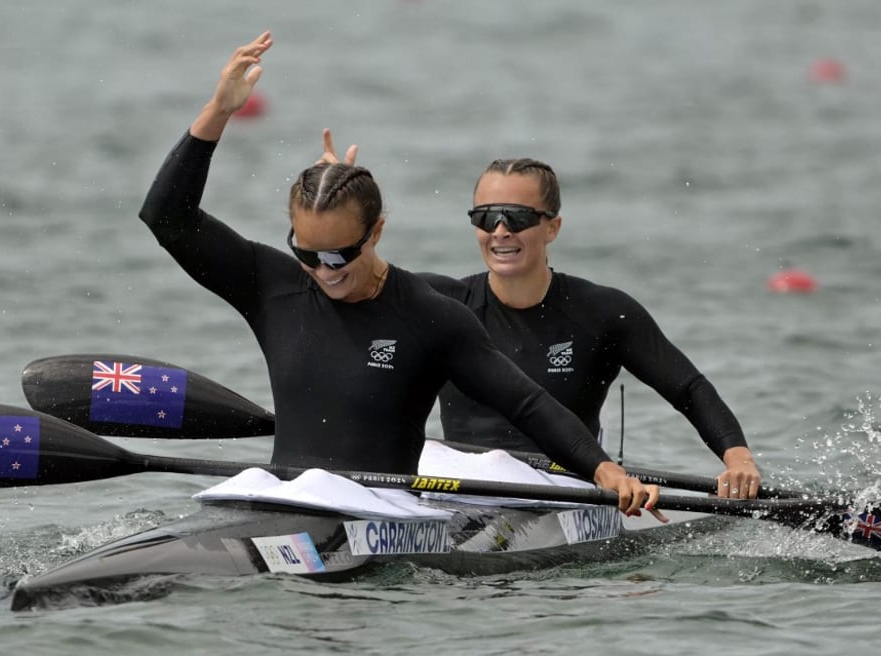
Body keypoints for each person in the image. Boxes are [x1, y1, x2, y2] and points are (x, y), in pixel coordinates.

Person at [138, 31, 663, 517]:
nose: (325, 271)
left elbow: (525, 403)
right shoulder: (271, 284)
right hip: (285, 500)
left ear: (376, 232)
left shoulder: (428, 316)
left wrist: (605, 471)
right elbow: (166, 218)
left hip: (381, 517)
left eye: (341, 254)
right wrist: (217, 112)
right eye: (308, 253)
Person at [318, 133, 762, 500]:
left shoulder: (603, 312)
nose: (501, 230)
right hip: (456, 481)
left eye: (517, 216)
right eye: (486, 216)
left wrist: (737, 459)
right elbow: (355, 281)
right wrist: (340, 214)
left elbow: (688, 388)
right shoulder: (440, 303)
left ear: (553, 227)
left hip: (563, 487)